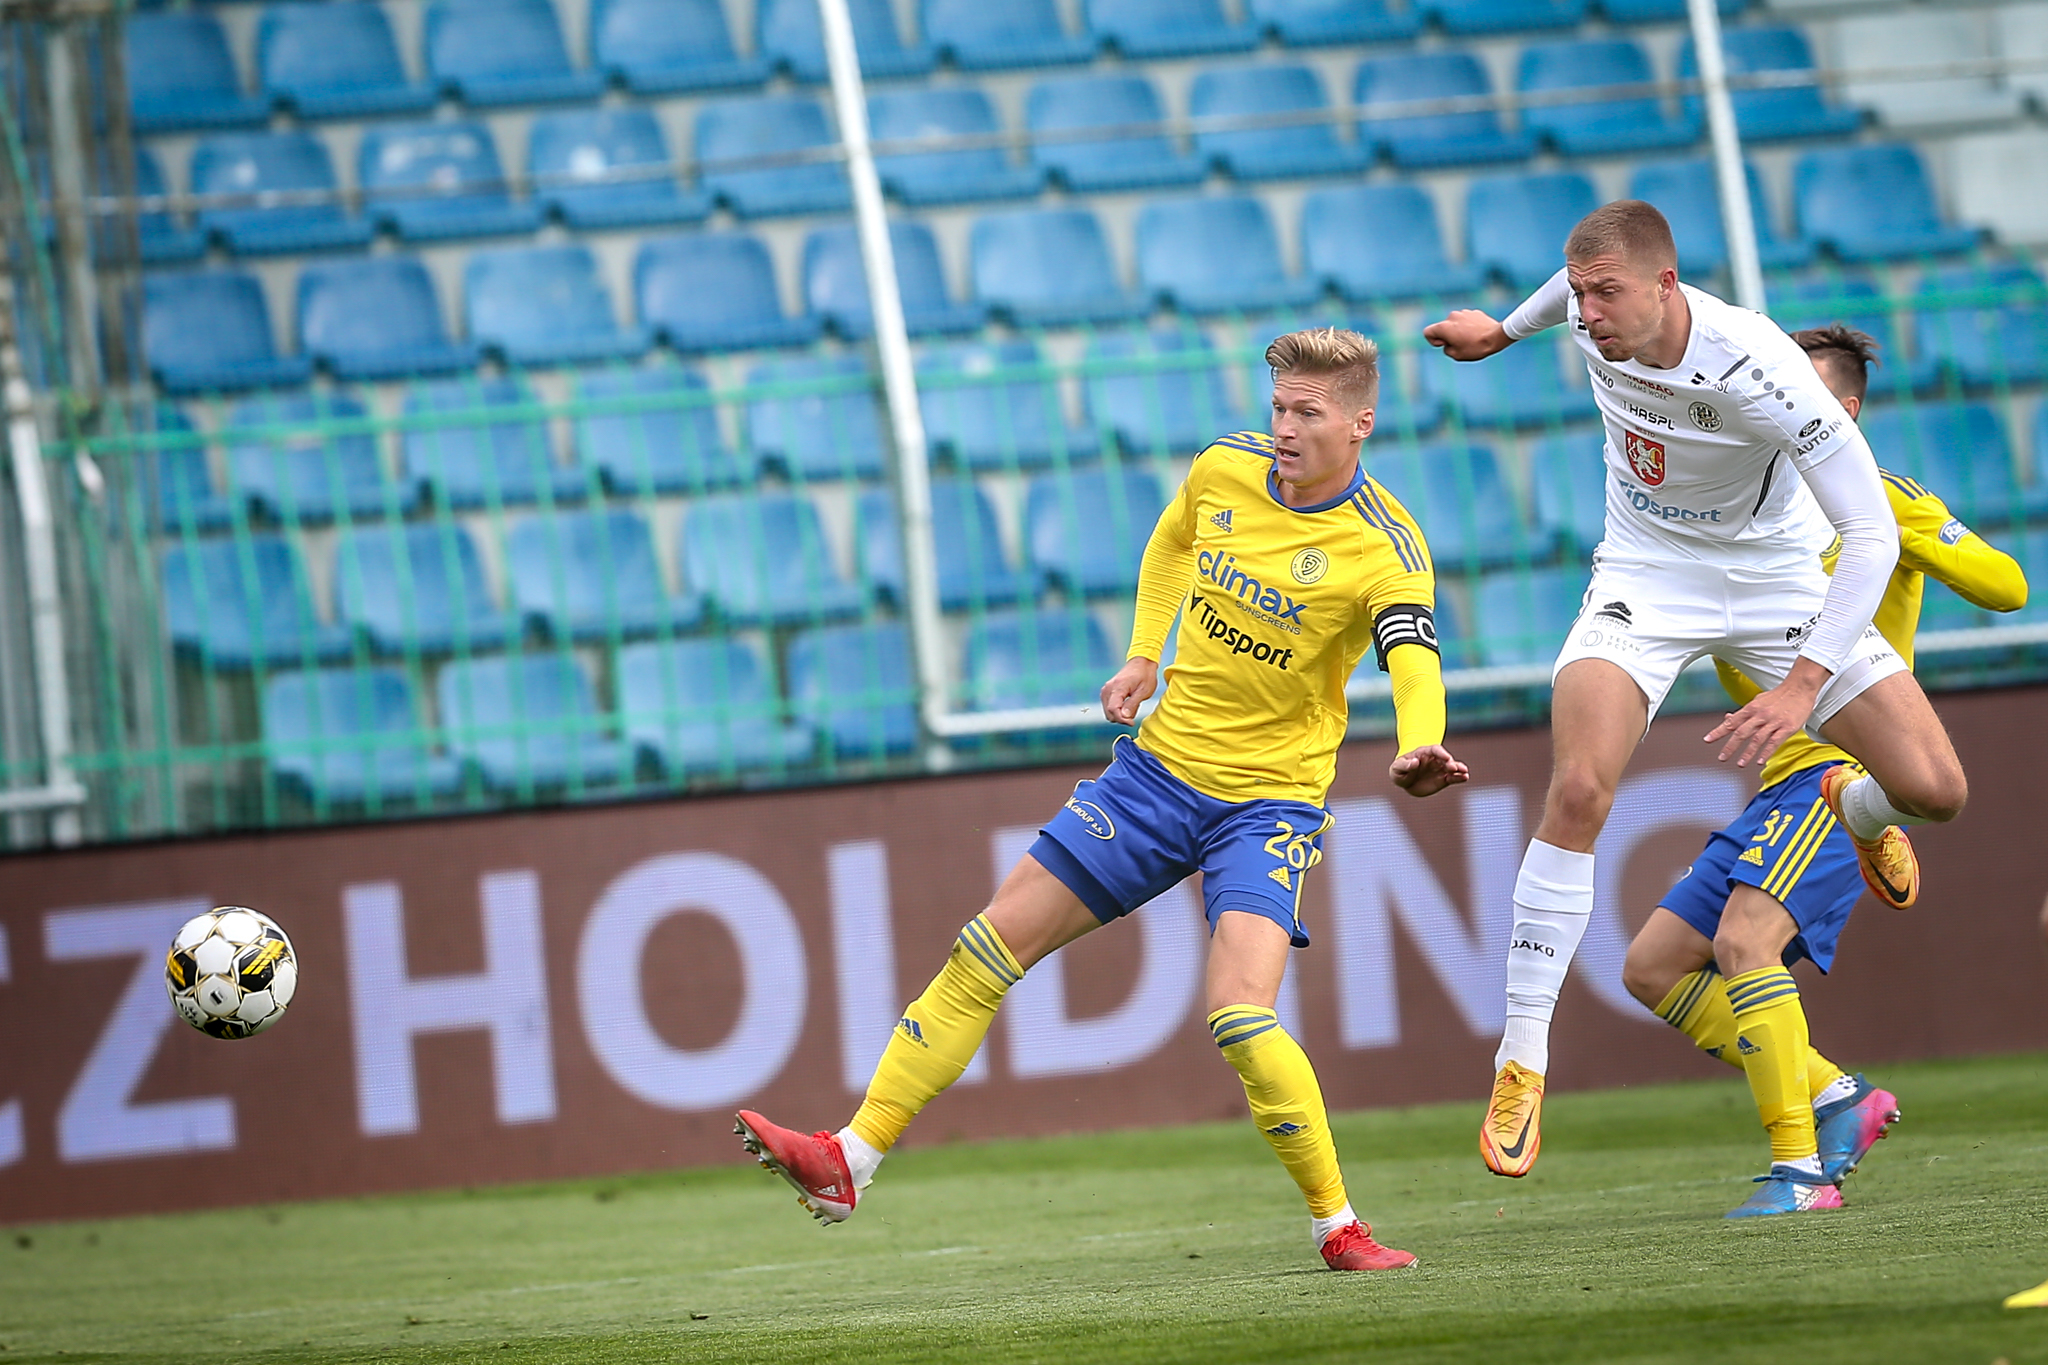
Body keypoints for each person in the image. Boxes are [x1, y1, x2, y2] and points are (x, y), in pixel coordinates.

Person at [734, 328, 1470, 1272]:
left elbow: (1412, 657)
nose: (1285, 428)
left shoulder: (1384, 546)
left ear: (1361, 423)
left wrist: (1419, 739)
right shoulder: (1224, 468)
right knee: (985, 947)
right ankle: (850, 1158)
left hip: (1266, 805)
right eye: (1278, 407)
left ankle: (1339, 1227)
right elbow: (1172, 542)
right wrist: (1143, 652)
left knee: (1241, 1017)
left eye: (1308, 413)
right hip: (1155, 776)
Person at [1423, 201, 1970, 1190]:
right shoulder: (1588, 307)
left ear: (1666, 286)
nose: (1587, 313)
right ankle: (1521, 1058)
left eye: (1606, 294)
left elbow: (1872, 535)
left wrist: (1803, 684)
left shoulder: (1761, 365)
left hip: (1775, 582)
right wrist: (1501, 332)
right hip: (1646, 574)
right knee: (1577, 789)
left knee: (1935, 789)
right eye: (1578, 294)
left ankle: (1856, 809)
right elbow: (1567, 287)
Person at [1618, 324, 2026, 1217]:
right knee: (1651, 965)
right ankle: (1838, 1094)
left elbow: (2009, 588)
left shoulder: (1878, 503)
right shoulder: (1736, 504)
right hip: (1779, 781)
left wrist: (1921, 530)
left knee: (1743, 945)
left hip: (1840, 766)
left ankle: (1800, 1173)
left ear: (1837, 409)